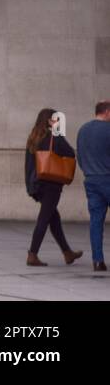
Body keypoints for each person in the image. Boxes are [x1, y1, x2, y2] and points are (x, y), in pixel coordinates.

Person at [24, 108, 82, 266]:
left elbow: (28, 164)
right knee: (44, 219)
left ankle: (67, 253)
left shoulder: (33, 137)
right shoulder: (54, 137)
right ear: (50, 121)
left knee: (53, 218)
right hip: (51, 184)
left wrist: (30, 186)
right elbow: (70, 153)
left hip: (37, 184)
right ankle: (32, 254)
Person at [78, 100, 110, 271]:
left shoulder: (83, 130)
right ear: (106, 112)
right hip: (108, 178)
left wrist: (89, 171)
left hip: (91, 180)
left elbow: (80, 157)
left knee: (96, 222)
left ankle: (98, 260)